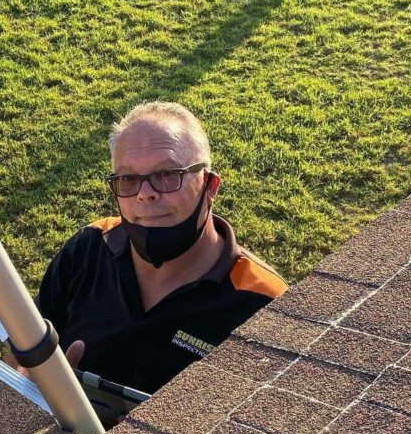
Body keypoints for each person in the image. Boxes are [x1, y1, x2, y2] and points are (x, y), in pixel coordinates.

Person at [32, 101, 287, 398]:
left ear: (210, 186)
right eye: (128, 179)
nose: (145, 194)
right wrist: (38, 383)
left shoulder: (263, 301)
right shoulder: (89, 246)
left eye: (167, 175)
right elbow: (23, 348)